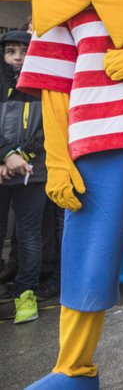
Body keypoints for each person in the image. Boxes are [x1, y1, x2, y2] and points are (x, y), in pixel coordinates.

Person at [0, 30, 47, 323]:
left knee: (29, 236)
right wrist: (5, 156)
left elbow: (51, 127)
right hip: (2, 171)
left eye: (24, 52)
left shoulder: (44, 86)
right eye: (11, 52)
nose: (18, 58)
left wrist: (21, 157)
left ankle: (26, 295)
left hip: (34, 173)